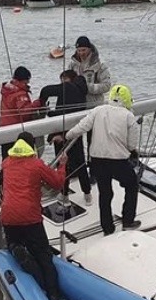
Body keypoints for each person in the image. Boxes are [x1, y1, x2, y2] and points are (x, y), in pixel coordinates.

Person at [57, 84, 140, 236]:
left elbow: (82, 127)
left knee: (105, 193)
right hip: (118, 161)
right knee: (132, 185)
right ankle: (128, 221)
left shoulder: (98, 110)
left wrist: (66, 136)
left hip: (98, 161)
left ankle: (107, 228)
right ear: (128, 100)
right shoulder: (128, 116)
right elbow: (131, 144)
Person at [0, 132, 67, 300]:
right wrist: (62, 165)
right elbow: (57, 183)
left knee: (16, 244)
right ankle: (53, 297)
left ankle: (16, 249)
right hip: (29, 216)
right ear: (32, 148)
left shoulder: (6, 163)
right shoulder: (36, 164)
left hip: (8, 215)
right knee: (45, 257)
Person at [38, 69, 92, 203]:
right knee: (80, 163)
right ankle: (87, 194)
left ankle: (64, 194)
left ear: (68, 79)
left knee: (63, 165)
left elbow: (46, 90)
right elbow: (71, 111)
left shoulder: (68, 88)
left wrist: (42, 105)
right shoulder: (81, 90)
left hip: (62, 133)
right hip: (76, 131)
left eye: (63, 80)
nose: (61, 84)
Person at [68, 36, 113, 108]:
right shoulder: (72, 64)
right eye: (79, 50)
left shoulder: (100, 64)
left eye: (84, 50)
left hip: (95, 106)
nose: (81, 53)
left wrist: (89, 87)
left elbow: (107, 86)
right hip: (76, 105)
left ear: (89, 49)